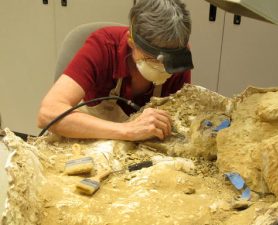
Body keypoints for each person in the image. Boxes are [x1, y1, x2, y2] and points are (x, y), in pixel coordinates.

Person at [37, 0, 193, 141]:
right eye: (152, 59)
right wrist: (127, 130)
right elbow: (48, 113)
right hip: (91, 141)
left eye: (168, 62)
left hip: (141, 151)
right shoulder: (103, 47)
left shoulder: (177, 57)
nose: (162, 67)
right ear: (131, 41)